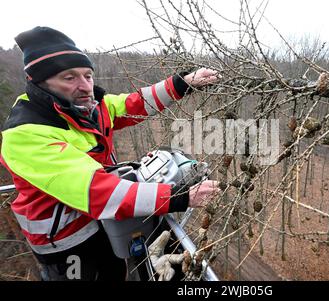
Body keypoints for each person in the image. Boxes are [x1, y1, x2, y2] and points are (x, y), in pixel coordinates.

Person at [0, 26, 220, 281]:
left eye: (88, 76)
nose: (85, 87)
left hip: (103, 223)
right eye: (69, 78)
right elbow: (96, 191)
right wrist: (179, 197)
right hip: (66, 242)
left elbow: (132, 104)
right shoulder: (25, 135)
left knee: (116, 271)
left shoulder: (86, 106)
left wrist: (183, 84)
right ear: (38, 82)